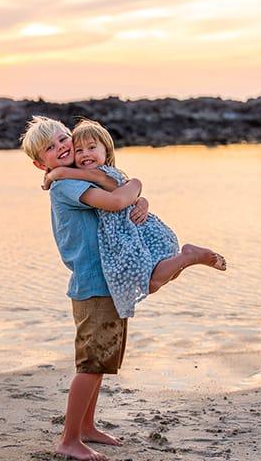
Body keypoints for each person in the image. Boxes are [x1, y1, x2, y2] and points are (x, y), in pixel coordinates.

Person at [21, 116, 147, 461]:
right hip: (93, 285)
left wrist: (140, 195)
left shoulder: (70, 179)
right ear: (39, 163)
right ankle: (69, 438)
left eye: (64, 139)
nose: (62, 147)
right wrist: (133, 188)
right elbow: (117, 199)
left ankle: (87, 427)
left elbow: (118, 188)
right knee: (90, 364)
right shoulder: (65, 187)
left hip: (104, 282)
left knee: (101, 360)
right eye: (51, 147)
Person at [43, 119, 226, 319]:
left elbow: (118, 198)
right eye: (79, 151)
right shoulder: (99, 175)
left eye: (92, 148)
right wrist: (141, 197)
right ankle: (187, 258)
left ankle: (189, 256)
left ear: (107, 151)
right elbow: (126, 192)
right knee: (163, 274)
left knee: (150, 281)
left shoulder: (98, 174)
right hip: (134, 232)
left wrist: (56, 173)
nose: (85, 154)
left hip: (131, 233)